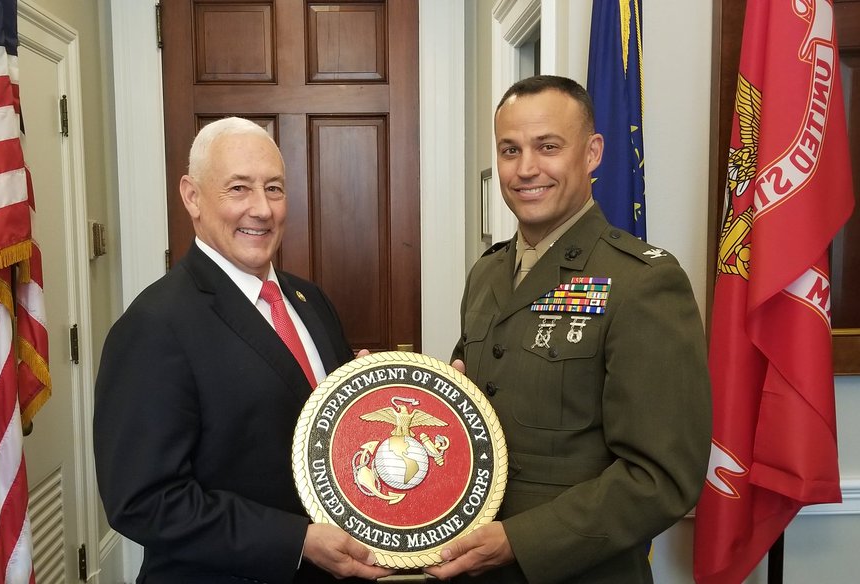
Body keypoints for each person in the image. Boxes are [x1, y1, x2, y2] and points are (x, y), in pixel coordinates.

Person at [426, 75, 712, 583]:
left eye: (548, 147)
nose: (526, 169)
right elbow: (467, 409)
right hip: (472, 567)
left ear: (592, 153)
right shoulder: (487, 273)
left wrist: (520, 541)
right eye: (510, 150)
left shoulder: (642, 281)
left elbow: (661, 477)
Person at [93, 117, 392, 583]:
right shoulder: (154, 325)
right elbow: (143, 501)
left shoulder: (310, 301)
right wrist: (296, 541)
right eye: (238, 188)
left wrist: (363, 397)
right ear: (192, 197)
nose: (262, 209)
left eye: (274, 189)